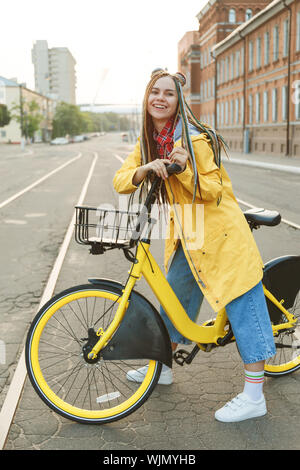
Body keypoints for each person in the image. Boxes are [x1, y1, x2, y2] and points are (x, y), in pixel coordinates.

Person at [113, 69, 276, 423]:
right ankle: (164, 367)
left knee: (242, 303)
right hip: (192, 234)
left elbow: (214, 190)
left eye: (168, 94)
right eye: (154, 91)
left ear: (178, 101)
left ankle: (253, 396)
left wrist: (184, 169)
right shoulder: (149, 142)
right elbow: (121, 180)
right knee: (174, 296)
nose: (160, 98)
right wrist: (146, 168)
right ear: (146, 98)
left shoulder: (195, 140)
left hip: (222, 234)